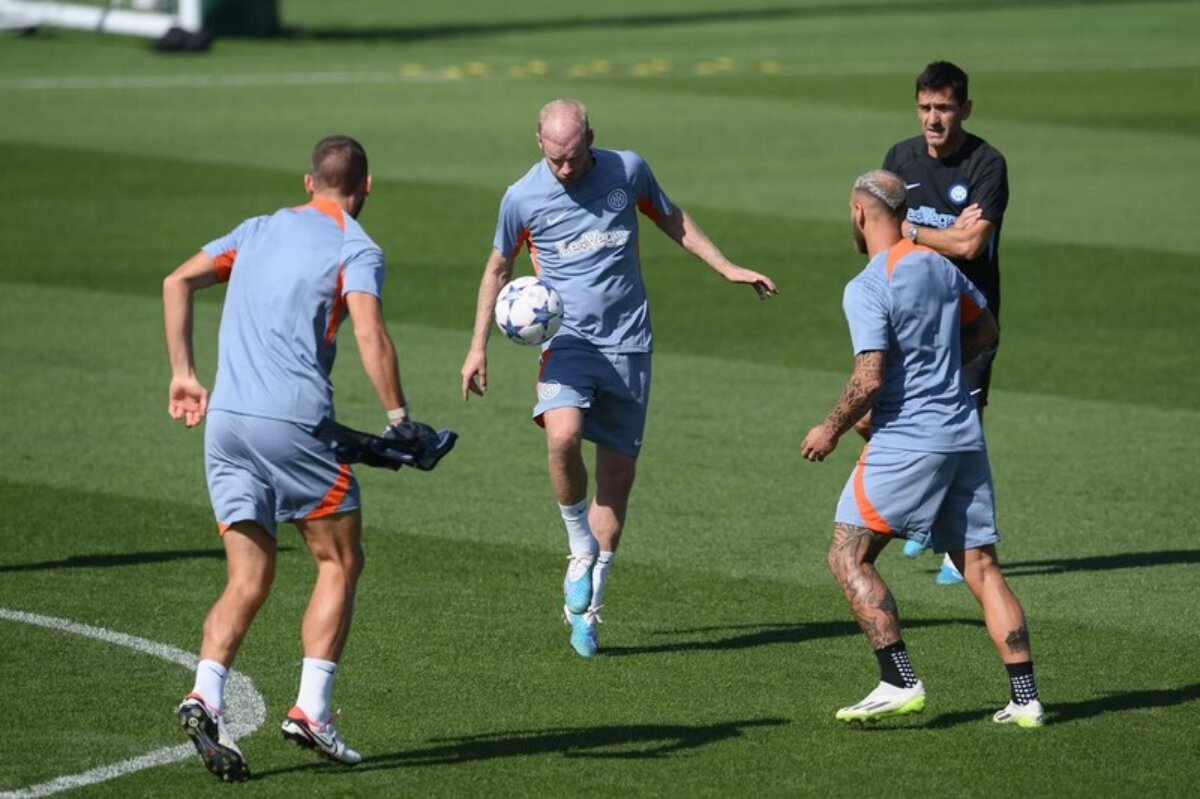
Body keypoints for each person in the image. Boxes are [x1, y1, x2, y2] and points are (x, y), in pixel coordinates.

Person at [460, 98, 776, 658]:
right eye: (556, 159)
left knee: (617, 475)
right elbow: (497, 268)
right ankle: (577, 544)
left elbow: (671, 217)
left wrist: (726, 266)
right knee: (561, 436)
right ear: (539, 143)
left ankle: (588, 602)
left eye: (574, 157)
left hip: (630, 344)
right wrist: (477, 346)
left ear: (591, 140)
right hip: (569, 343)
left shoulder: (627, 170)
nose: (565, 169)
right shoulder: (521, 198)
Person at [163, 135, 411, 780]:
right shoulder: (356, 246)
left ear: (309, 183)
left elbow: (177, 281)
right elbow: (368, 330)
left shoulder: (257, 230)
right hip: (294, 424)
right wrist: (398, 419)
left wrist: (183, 373)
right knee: (339, 559)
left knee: (249, 577)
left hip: (227, 425)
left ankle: (205, 693)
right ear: (367, 187)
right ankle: (312, 711)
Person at [800, 170, 1043, 728]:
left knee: (847, 554)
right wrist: (939, 375)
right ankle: (1026, 698)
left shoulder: (866, 285)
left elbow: (869, 376)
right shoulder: (937, 265)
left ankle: (898, 679)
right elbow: (986, 331)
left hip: (910, 439)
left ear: (859, 214)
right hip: (962, 432)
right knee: (981, 567)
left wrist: (830, 428)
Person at [881, 60, 1010, 582]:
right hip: (914, 314)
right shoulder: (899, 157)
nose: (934, 119)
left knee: (963, 422)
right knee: (895, 415)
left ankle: (964, 545)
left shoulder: (987, 163)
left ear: (965, 109)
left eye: (945, 108)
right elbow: (881, 230)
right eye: (926, 108)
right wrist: (937, 235)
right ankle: (930, 516)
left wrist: (912, 231)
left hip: (971, 315)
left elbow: (971, 243)